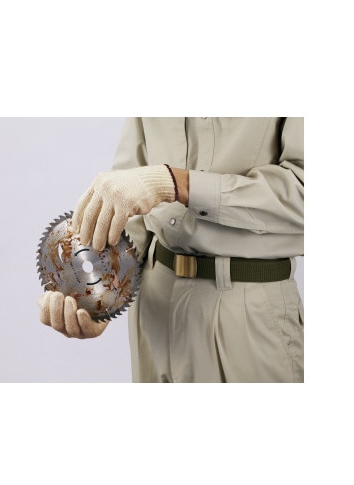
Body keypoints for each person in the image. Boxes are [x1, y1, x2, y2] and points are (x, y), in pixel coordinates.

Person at [38, 117, 304, 383]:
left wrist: (176, 183)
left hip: (247, 313)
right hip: (154, 305)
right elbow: (130, 192)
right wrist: (105, 296)